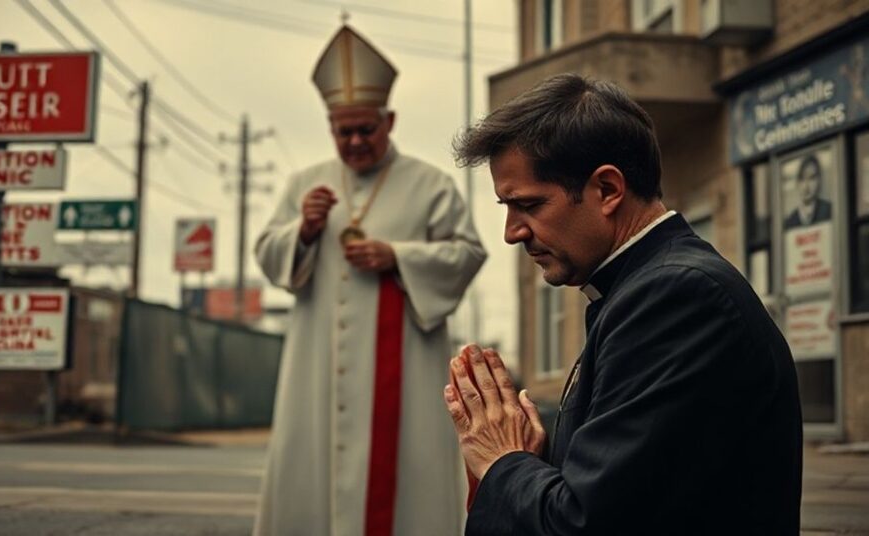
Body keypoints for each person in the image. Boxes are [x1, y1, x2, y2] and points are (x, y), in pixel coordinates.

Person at [443, 73, 803, 535]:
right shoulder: (642, 287)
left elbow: (584, 523)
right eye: (506, 208)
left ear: (608, 190)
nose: (512, 232)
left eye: (529, 206)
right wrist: (536, 461)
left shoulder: (674, 298)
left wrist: (502, 461)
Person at [252, 25, 486, 536]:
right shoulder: (304, 184)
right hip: (316, 368)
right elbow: (268, 255)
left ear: (389, 121)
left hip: (405, 370)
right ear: (330, 128)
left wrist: (397, 256)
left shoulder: (430, 185)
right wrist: (303, 230)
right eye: (344, 132)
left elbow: (468, 253)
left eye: (365, 129)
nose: (355, 141)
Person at [784, 154, 832, 230]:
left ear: (819, 181)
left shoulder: (829, 210)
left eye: (811, 178)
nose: (806, 186)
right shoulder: (790, 222)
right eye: (802, 179)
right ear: (797, 183)